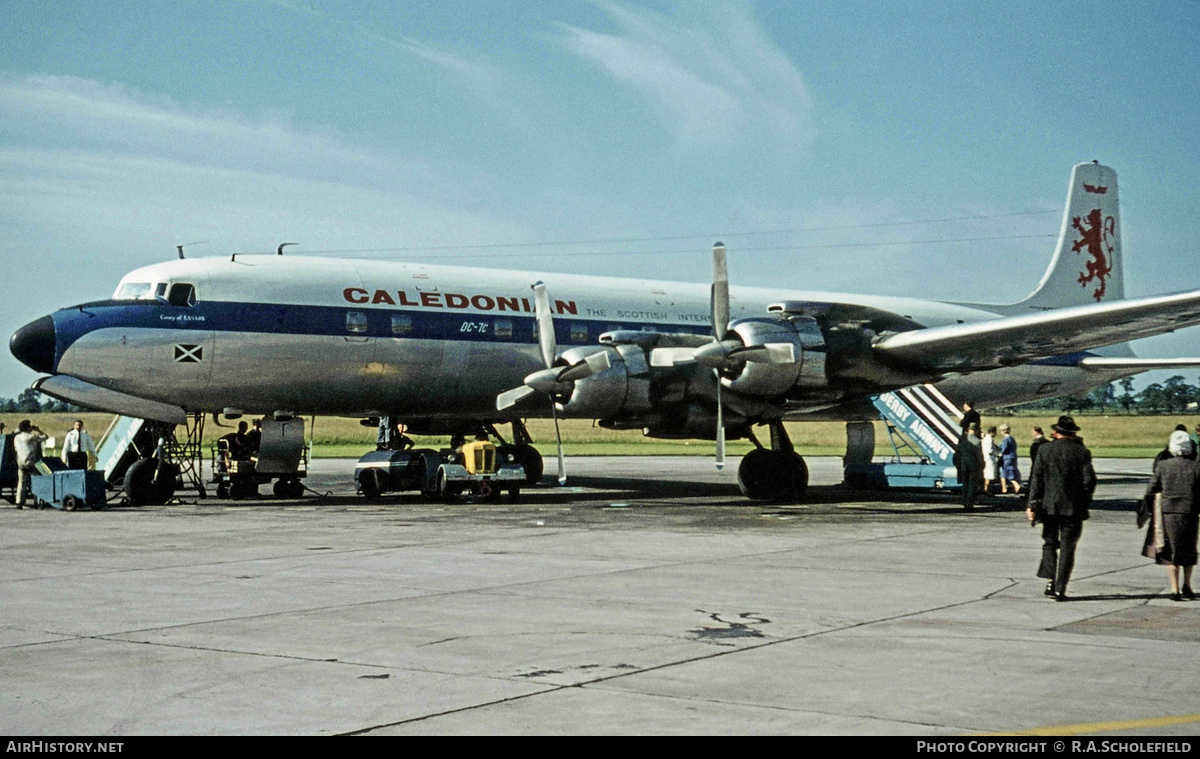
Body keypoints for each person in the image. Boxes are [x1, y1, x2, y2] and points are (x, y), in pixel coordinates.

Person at [1025, 415, 1097, 601]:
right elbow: (1089, 481)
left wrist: (1032, 503)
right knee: (1068, 547)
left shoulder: (1044, 450)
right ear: (1072, 433)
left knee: (1049, 543)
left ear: (1056, 432)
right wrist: (1083, 502)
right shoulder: (1082, 452)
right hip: (1073, 508)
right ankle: (1060, 588)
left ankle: (1050, 578)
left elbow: (1036, 479)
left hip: (1049, 506)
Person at [1142, 430, 1200, 601]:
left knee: (1171, 550)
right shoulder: (1196, 466)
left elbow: (1151, 488)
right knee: (1189, 549)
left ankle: (1174, 589)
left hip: (1169, 512)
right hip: (1189, 511)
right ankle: (1187, 585)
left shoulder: (1163, 466)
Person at [13, 419, 48, 509]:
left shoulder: (17, 437)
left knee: (21, 482)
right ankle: (37, 501)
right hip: (31, 461)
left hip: (20, 461)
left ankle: (19, 502)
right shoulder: (31, 436)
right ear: (28, 428)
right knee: (37, 479)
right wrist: (38, 430)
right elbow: (45, 437)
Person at [956, 423, 985, 510]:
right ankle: (970, 502)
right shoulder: (977, 441)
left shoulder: (962, 440)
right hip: (973, 465)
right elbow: (979, 455)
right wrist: (982, 464)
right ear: (976, 431)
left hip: (963, 465)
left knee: (965, 484)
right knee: (972, 484)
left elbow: (957, 454)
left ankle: (964, 501)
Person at [997, 423, 1021, 495]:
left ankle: (1014, 486)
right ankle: (1006, 487)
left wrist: (999, 453)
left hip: (1007, 458)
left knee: (1006, 473)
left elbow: (1003, 449)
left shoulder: (1006, 439)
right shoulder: (1012, 439)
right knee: (1008, 472)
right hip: (1012, 457)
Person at [981, 426, 998, 495]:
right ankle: (987, 489)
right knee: (989, 475)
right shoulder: (989, 439)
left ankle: (986, 488)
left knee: (987, 474)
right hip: (989, 459)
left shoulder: (985, 439)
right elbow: (989, 450)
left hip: (986, 458)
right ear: (992, 432)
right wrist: (996, 454)